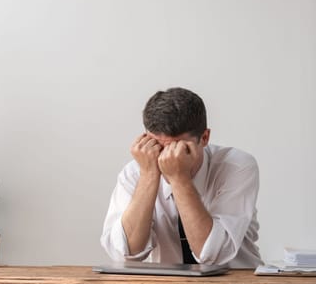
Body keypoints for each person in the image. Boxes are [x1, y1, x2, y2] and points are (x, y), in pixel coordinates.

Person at [100, 87, 262, 268]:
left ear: (205, 137)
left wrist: (179, 178)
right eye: (159, 147)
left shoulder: (237, 166)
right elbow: (125, 252)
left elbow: (212, 254)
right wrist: (148, 175)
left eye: (179, 149)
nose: (167, 158)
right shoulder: (135, 172)